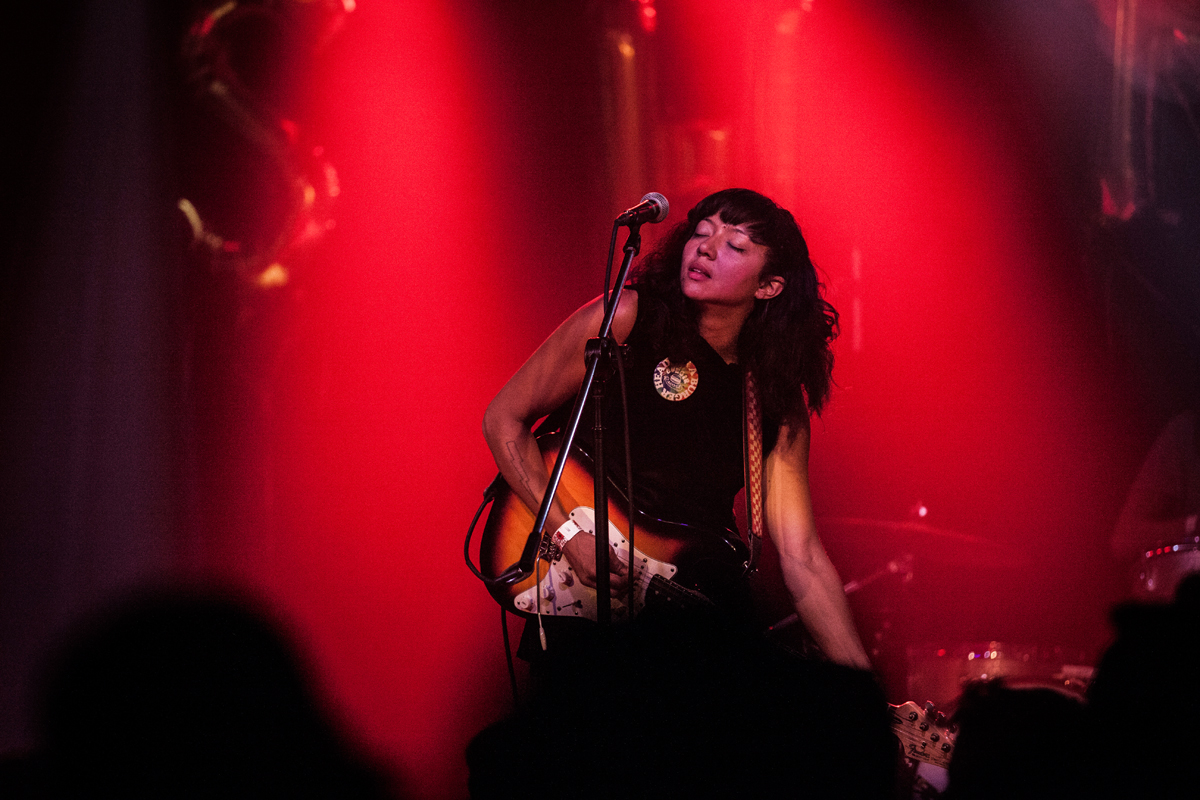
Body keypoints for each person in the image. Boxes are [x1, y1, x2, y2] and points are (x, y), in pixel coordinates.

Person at [481, 187, 870, 669]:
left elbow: (802, 556)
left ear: (769, 286)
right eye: (701, 232)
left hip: (690, 627)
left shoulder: (772, 398)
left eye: (736, 245)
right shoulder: (625, 318)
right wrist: (566, 536)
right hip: (587, 616)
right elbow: (504, 418)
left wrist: (864, 688)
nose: (706, 247)